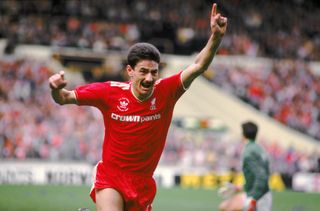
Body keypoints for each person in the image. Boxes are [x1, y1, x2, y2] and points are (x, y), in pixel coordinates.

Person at [48, 3, 227, 211]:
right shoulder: (109, 92)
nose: (150, 78)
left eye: (154, 72)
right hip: (111, 178)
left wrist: (216, 37)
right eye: (143, 71)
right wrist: (55, 89)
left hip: (142, 184)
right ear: (130, 71)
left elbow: (198, 66)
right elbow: (63, 98)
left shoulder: (167, 91)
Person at [219, 121, 272, 211]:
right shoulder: (258, 148)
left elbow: (261, 177)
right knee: (225, 206)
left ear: (243, 134)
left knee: (227, 207)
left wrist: (253, 199)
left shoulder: (249, 151)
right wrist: (238, 187)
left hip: (258, 196)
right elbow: (260, 175)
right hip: (260, 193)